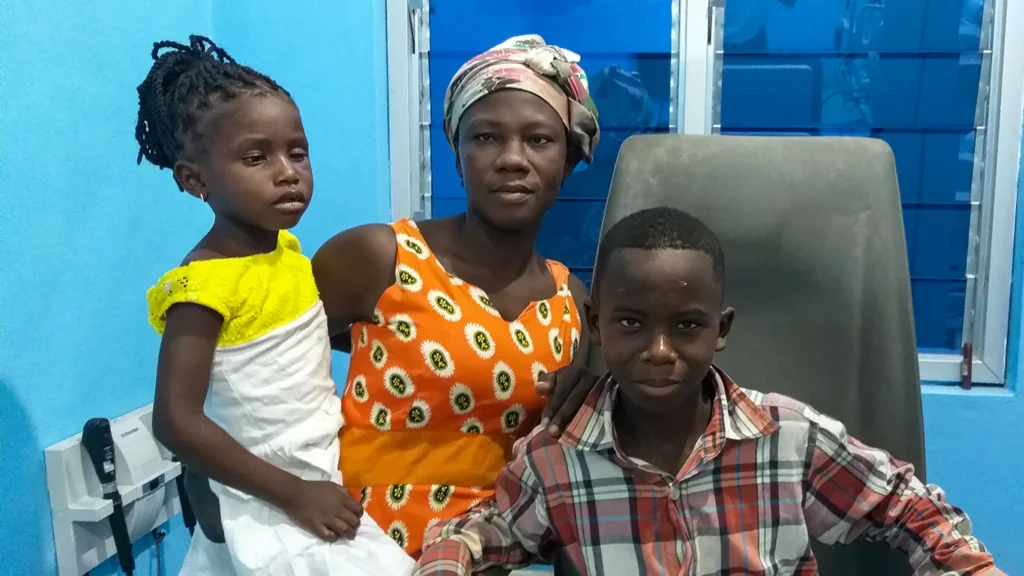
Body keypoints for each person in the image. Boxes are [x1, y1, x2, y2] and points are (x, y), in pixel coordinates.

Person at [413, 207, 1005, 576]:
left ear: (721, 330)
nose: (659, 350)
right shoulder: (554, 459)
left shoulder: (788, 438)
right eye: (630, 323)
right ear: (595, 323)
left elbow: (907, 504)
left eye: (687, 326)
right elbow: (480, 533)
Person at [306, 34, 602, 559]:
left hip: (507, 551)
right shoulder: (379, 258)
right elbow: (263, 362)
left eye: (539, 140)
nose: (512, 159)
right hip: (367, 549)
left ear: (567, 161)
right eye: (486, 137)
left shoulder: (570, 302)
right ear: (458, 155)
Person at [137, 36, 413, 575]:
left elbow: (298, 343)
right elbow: (175, 421)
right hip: (270, 496)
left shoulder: (285, 254)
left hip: (318, 468)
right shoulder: (203, 287)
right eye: (255, 157)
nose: (287, 172)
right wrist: (293, 494)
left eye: (297, 152)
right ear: (195, 179)